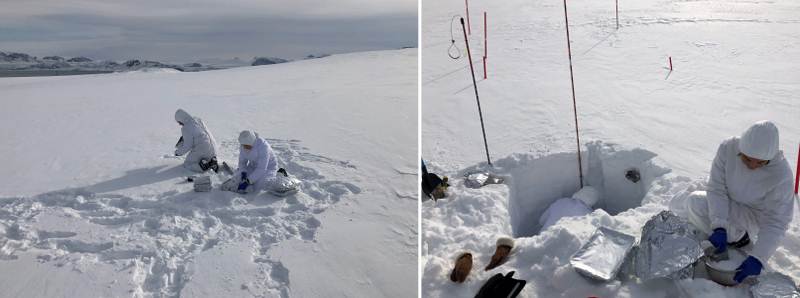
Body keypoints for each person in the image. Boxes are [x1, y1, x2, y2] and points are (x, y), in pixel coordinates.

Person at [684, 120, 794, 283]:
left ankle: (740, 237)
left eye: (761, 163)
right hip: (727, 201)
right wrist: (719, 225)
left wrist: (758, 257)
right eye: (747, 159)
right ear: (740, 149)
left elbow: (776, 222)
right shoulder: (728, 148)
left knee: (696, 210)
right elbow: (717, 189)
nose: (752, 166)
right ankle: (727, 234)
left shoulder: (781, 174)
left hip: (753, 215)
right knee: (691, 202)